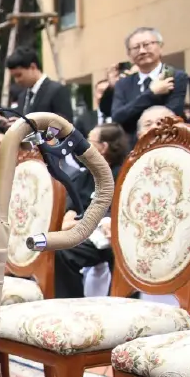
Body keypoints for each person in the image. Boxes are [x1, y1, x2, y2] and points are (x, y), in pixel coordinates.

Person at [56, 123, 129, 298]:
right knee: (61, 251)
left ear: (104, 147)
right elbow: (72, 209)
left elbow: (123, 209)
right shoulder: (85, 175)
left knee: (120, 255)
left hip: (117, 235)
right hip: (90, 234)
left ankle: (119, 305)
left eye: (89, 141)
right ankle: (71, 304)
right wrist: (72, 218)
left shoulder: (125, 173)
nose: (83, 145)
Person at [110, 27, 189, 142]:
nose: (142, 51)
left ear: (160, 47)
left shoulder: (175, 76)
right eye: (136, 47)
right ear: (129, 54)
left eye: (147, 45)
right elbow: (118, 117)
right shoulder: (123, 84)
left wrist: (133, 114)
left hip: (168, 143)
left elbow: (171, 115)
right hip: (134, 149)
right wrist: (151, 93)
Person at [6, 47, 73, 119]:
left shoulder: (57, 90)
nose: (17, 80)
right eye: (14, 77)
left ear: (33, 67)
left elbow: (64, 125)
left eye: (19, 75)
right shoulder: (22, 96)